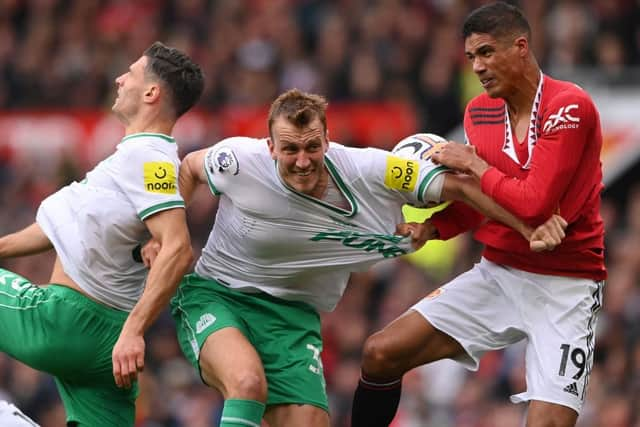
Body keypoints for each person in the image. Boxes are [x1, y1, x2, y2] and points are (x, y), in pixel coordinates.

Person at [153, 88, 566, 427]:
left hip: (294, 319)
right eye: (290, 149)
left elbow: (463, 189)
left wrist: (526, 226)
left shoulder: (373, 173)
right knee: (246, 382)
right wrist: (166, 235)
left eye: (313, 147)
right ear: (270, 147)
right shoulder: (240, 161)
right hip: (219, 296)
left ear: (328, 141)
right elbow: (188, 168)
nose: (302, 161)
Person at [350, 3, 606, 427]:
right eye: (471, 57)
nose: (478, 66)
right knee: (380, 353)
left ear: (520, 47)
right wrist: (434, 227)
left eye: (486, 53)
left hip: (567, 286)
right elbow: (484, 203)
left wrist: (473, 166)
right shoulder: (478, 113)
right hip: (499, 273)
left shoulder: (569, 107)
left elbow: (533, 203)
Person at [0, 42, 204, 426]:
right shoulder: (135, 159)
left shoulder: (149, 158)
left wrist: (135, 330)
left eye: (130, 72)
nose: (119, 78)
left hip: (68, 322)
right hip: (103, 352)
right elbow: (57, 229)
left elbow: (178, 248)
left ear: (151, 93)